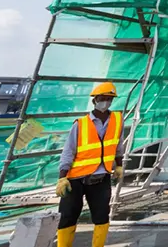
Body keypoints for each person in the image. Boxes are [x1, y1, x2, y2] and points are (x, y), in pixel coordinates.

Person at [55, 82, 124, 247]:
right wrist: (62, 177)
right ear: (95, 100)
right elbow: (68, 151)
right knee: (68, 215)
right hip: (75, 179)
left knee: (101, 215)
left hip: (101, 177)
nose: (106, 102)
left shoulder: (117, 120)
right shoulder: (81, 123)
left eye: (109, 99)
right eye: (102, 98)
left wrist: (119, 165)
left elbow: (118, 146)